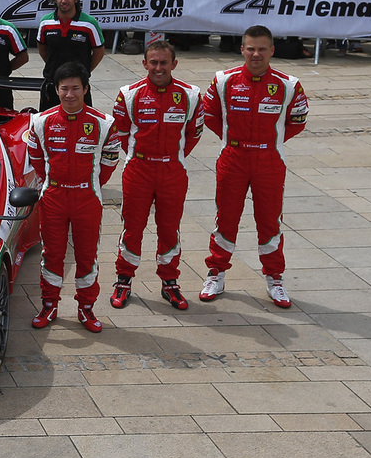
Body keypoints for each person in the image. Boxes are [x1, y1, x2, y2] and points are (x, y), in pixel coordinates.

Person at [199, 25, 309, 308]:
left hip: (269, 160)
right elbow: (209, 115)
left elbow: (297, 121)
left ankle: (274, 277)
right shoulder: (224, 80)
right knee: (226, 218)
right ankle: (216, 272)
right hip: (233, 158)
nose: (256, 54)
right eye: (251, 48)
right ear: (242, 49)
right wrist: (232, 140)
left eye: (262, 49)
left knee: (270, 221)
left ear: (272, 50)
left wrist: (268, 142)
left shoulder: (288, 84)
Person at [24, 62, 120, 333]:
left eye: (75, 88)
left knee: (87, 256)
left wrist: (89, 184)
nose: (69, 94)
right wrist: (52, 184)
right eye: (64, 88)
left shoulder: (103, 123)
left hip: (87, 198)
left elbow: (110, 160)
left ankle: (86, 308)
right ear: (56, 90)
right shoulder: (41, 122)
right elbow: (36, 159)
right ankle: (49, 305)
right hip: (53, 197)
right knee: (51, 254)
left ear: (85, 89)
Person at [109, 40, 202, 312]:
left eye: (164, 62)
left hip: (173, 170)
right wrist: (140, 157)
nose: (158, 67)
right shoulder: (129, 93)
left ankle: (170, 281)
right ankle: (123, 280)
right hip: (139, 170)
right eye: (153, 62)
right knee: (132, 228)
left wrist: (173, 156)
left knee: (169, 229)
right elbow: (120, 133)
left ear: (174, 64)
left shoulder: (191, 94)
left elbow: (194, 134)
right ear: (144, 64)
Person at [36, 0, 105, 110]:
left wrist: (85, 70)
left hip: (79, 86)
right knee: (48, 126)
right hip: (52, 84)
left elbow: (99, 51)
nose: (63, 0)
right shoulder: (46, 22)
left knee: (81, 125)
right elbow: (42, 48)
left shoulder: (89, 23)